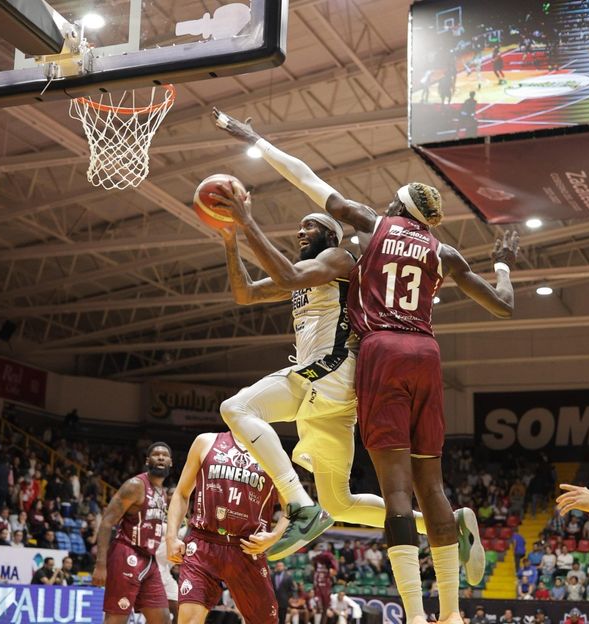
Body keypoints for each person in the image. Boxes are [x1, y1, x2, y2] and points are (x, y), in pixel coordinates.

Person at [213, 110, 518, 624]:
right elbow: (503, 306)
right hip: (422, 351)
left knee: (390, 487)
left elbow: (307, 180)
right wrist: (505, 263)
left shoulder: (358, 242)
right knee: (385, 495)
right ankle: (449, 594)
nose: (303, 229)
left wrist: (256, 147)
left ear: (396, 205)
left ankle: (412, 610)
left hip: (367, 359)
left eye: (310, 226)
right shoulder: (442, 252)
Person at [166, 431, 286, 624]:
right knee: (188, 621)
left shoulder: (273, 453)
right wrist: (171, 537)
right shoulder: (205, 441)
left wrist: (274, 536)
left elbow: (292, 508)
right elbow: (181, 493)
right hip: (204, 542)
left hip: (247, 546)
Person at [92, 442, 172, 624]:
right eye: (156, 454)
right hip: (126, 554)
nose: (160, 457)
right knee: (117, 618)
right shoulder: (135, 485)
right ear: (147, 460)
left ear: (171, 462)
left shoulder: (162, 493)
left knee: (162, 619)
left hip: (149, 560)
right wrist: (100, 564)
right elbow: (106, 522)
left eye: (165, 455)